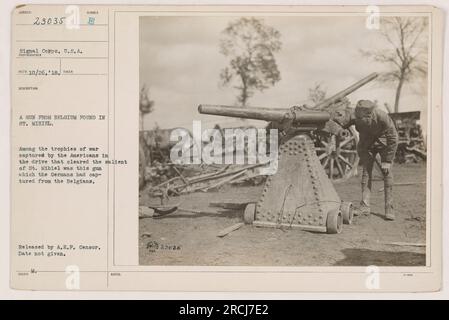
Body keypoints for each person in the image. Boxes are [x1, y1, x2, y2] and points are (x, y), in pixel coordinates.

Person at [333, 100, 398, 220]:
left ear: (370, 115)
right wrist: (337, 133)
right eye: (357, 118)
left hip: (383, 144)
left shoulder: (382, 116)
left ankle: (389, 208)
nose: (358, 120)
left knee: (387, 174)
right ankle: (365, 207)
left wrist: (387, 161)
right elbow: (338, 126)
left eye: (361, 118)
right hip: (366, 145)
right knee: (366, 174)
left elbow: (393, 138)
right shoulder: (355, 116)